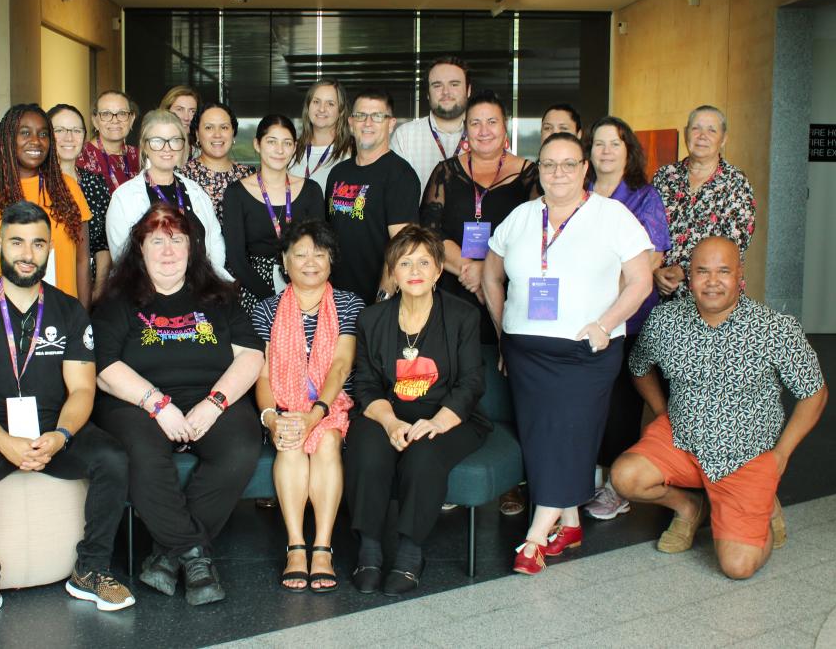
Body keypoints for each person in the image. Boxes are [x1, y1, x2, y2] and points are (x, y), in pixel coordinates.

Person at [0, 201, 133, 629]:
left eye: (37, 243)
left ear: (49, 250)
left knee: (113, 457)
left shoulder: (68, 310)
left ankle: (91, 569)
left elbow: (83, 388)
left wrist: (62, 435)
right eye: (17, 242)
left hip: (53, 430)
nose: (27, 253)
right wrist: (5, 442)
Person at [482, 132, 654, 576]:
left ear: (584, 169)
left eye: (568, 164)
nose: (558, 173)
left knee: (570, 432)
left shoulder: (612, 216)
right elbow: (490, 276)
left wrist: (605, 322)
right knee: (542, 436)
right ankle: (572, 522)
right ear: (539, 170)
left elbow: (640, 282)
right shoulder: (522, 217)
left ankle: (536, 535)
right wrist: (504, 331)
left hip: (587, 350)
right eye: (549, 164)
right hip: (526, 352)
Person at [612, 237, 827, 580]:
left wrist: (781, 455)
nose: (712, 281)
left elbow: (814, 393)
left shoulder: (774, 328)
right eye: (702, 271)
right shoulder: (665, 322)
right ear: (689, 276)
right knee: (624, 477)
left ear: (739, 274)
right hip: (681, 439)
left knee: (738, 566)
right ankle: (688, 507)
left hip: (747, 456)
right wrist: (662, 410)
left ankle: (763, 503)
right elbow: (639, 368)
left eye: (723, 271)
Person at [92, 203, 265, 606]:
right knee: (140, 450)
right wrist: (157, 404)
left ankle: (169, 556)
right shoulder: (118, 302)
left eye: (177, 240)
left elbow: (252, 356)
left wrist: (215, 403)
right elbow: (104, 367)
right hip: (138, 402)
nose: (168, 252)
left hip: (210, 396)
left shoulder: (219, 297)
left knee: (240, 445)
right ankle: (193, 554)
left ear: (192, 248)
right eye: (157, 242)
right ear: (140, 249)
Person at [346, 226, 489, 596]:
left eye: (424, 262)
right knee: (365, 446)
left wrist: (437, 422)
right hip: (387, 411)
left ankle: (410, 553)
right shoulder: (372, 319)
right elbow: (365, 385)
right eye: (405, 262)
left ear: (439, 270)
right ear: (392, 270)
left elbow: (472, 383)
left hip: (449, 415)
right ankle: (370, 549)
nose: (415, 270)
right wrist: (391, 422)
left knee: (424, 453)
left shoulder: (463, 316)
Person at [250, 219, 362, 593]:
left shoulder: (348, 303)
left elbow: (341, 365)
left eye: (320, 253)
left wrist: (317, 412)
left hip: (332, 406)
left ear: (331, 260)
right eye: (300, 254)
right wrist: (272, 420)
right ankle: (296, 546)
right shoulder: (266, 310)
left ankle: (323, 548)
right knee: (290, 442)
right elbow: (263, 376)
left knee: (327, 440)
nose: (310, 261)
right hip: (283, 406)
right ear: (285, 261)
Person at [583, 116, 671, 521]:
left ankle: (615, 487)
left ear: (627, 150)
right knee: (588, 400)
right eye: (598, 143)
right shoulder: (578, 193)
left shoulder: (643, 196)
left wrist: (609, 300)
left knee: (620, 402)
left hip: (627, 318)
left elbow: (652, 257)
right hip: (581, 316)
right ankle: (588, 475)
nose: (605, 151)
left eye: (613, 144)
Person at [420, 89, 539, 343]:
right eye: (475, 123)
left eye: (492, 122)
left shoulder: (531, 175)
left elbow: (536, 236)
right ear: (466, 128)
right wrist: (471, 270)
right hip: (453, 291)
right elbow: (429, 231)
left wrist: (490, 273)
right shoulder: (445, 172)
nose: (483, 130)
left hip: (509, 294)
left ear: (504, 127)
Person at [0, 103, 92, 310]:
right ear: (8, 139)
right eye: (24, 133)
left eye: (43, 134)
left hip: (57, 320)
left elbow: (82, 262)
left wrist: (82, 322)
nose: (35, 141)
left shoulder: (67, 188)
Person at [106, 109, 228, 279]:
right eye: (157, 141)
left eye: (174, 140)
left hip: (200, 290)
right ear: (145, 146)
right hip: (148, 294)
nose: (167, 148)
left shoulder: (195, 191)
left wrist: (207, 279)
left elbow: (214, 241)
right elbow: (123, 258)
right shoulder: (124, 197)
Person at [325, 89, 421, 304]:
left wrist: (382, 301)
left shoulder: (400, 175)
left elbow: (402, 246)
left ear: (391, 123)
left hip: (376, 301)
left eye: (377, 116)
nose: (367, 123)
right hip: (336, 299)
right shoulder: (338, 173)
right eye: (361, 116)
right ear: (351, 123)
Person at [223, 115, 325, 313]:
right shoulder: (236, 193)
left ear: (294, 147)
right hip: (254, 287)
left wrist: (300, 293)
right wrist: (274, 300)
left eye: (286, 143)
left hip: (304, 282)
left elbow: (320, 247)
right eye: (271, 142)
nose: (279, 150)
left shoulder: (311, 190)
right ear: (257, 144)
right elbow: (236, 258)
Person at [653, 105, 755, 299]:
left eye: (712, 130)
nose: (702, 135)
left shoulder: (736, 182)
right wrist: (654, 270)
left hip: (714, 295)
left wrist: (684, 270)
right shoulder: (664, 177)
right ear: (686, 134)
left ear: (723, 139)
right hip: (662, 293)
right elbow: (645, 232)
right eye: (696, 128)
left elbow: (735, 243)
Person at [49, 103, 111, 302]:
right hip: (50, 287)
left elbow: (103, 242)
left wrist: (97, 290)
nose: (69, 137)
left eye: (76, 130)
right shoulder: (37, 183)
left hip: (91, 290)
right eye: (59, 130)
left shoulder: (96, 182)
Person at [390, 57, 472, 192]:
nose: (446, 92)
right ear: (428, 93)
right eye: (437, 85)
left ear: (468, 90)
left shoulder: (487, 134)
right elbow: (393, 193)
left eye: (454, 84)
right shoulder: (405, 136)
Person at [178, 102, 254, 220]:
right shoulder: (182, 177)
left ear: (233, 133)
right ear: (197, 134)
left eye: (224, 127)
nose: (217, 134)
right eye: (209, 127)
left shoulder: (248, 175)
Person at [291, 79, 355, 194]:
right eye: (316, 102)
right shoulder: (292, 149)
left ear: (340, 111)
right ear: (308, 107)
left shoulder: (354, 151)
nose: (321, 109)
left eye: (330, 104)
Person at [76, 90, 139, 193]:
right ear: (95, 121)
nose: (115, 120)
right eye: (106, 114)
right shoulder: (81, 157)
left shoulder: (140, 157)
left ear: (131, 119)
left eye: (122, 113)